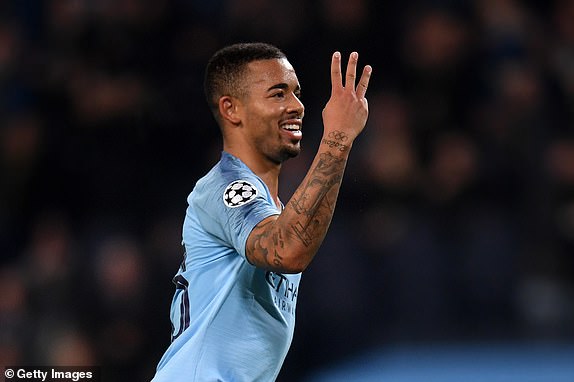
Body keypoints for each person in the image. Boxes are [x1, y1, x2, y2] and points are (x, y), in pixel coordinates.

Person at [151, 42, 372, 381]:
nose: (297, 105)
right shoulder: (225, 187)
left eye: (296, 93)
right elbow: (286, 250)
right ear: (231, 109)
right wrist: (338, 137)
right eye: (278, 94)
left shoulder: (274, 211)